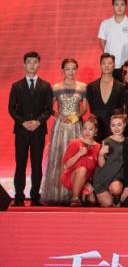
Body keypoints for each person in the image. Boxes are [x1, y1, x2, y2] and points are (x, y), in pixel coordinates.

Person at [40, 58, 87, 205]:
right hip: (60, 126)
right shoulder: (56, 87)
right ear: (62, 70)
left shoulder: (82, 87)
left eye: (73, 69)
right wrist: (60, 116)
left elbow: (84, 108)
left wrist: (74, 118)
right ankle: (57, 193)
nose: (71, 72)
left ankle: (74, 194)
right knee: (59, 156)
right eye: (68, 69)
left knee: (76, 157)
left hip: (76, 125)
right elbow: (48, 108)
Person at [9, 52, 53, 206]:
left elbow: (48, 109)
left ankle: (35, 197)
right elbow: (11, 109)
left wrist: (38, 122)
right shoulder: (16, 86)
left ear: (39, 64)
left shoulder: (45, 85)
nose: (32, 65)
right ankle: (19, 197)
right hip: (21, 131)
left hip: (38, 131)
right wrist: (23, 122)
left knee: (36, 164)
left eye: (35, 62)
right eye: (29, 62)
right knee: (20, 164)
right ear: (24, 64)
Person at [97, 0, 128, 79]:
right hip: (109, 65)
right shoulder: (105, 23)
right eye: (117, 5)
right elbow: (102, 41)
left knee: (126, 86)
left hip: (127, 65)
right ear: (113, 6)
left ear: (126, 6)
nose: (119, 7)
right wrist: (108, 55)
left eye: (122, 4)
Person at [60, 117, 101, 207]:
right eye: (85, 129)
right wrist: (79, 154)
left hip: (87, 179)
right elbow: (66, 165)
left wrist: (90, 184)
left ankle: (83, 191)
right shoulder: (75, 143)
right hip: (71, 177)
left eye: (90, 129)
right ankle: (75, 198)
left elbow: (97, 168)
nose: (87, 132)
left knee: (92, 202)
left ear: (96, 131)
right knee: (82, 169)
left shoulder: (98, 147)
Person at [86, 53, 126, 141]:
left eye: (109, 63)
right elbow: (91, 107)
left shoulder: (121, 87)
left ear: (114, 65)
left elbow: (121, 107)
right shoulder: (91, 86)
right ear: (100, 65)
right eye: (104, 63)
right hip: (96, 128)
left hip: (114, 129)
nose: (106, 66)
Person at [91, 114, 127, 207]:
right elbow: (101, 164)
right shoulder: (106, 142)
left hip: (117, 178)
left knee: (116, 189)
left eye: (119, 125)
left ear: (124, 125)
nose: (116, 128)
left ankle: (115, 196)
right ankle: (91, 194)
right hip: (102, 178)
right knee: (107, 204)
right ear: (110, 127)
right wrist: (101, 154)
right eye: (113, 125)